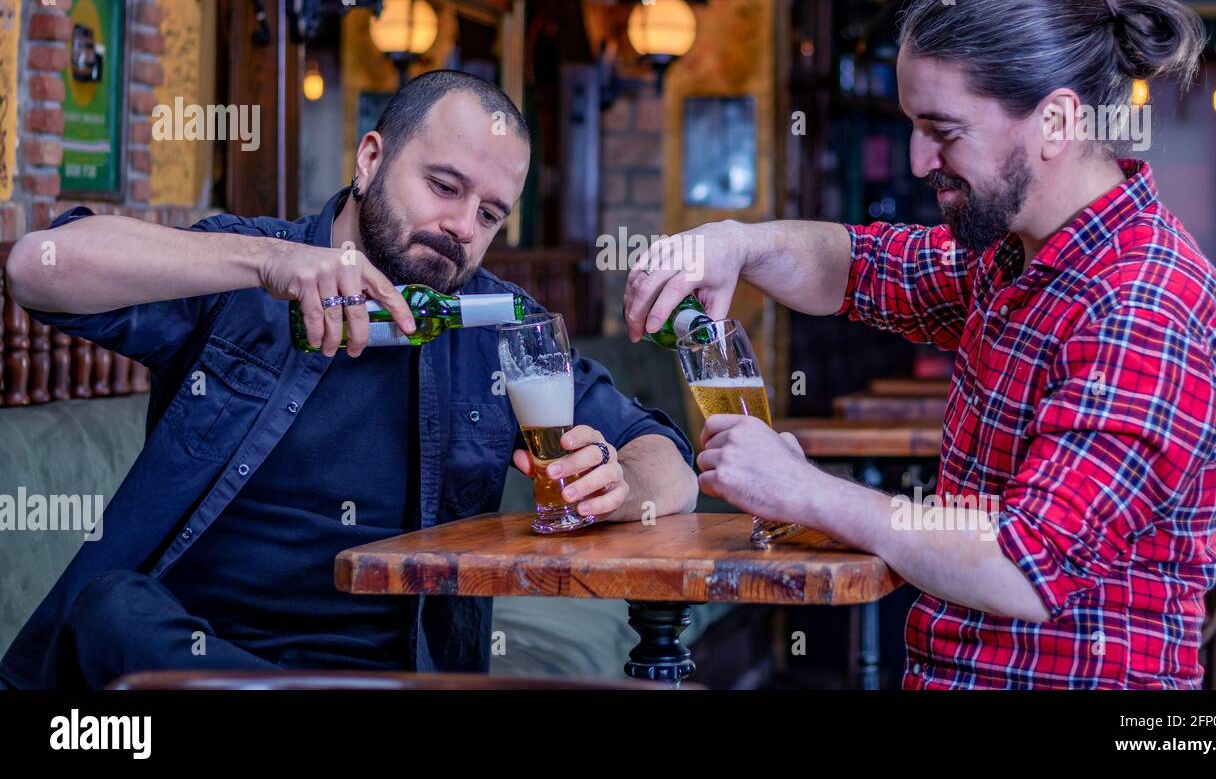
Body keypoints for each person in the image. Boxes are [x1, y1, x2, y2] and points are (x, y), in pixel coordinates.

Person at [624, 0, 1216, 689]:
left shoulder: (1143, 306)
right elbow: (858, 266)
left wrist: (803, 491)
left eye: (944, 131)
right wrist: (738, 240)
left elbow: (1021, 567)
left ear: (1056, 121)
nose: (920, 160)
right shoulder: (1016, 255)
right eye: (914, 127)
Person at [2, 70, 697, 689]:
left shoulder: (498, 323)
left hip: (388, 670)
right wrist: (262, 261)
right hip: (188, 653)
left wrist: (623, 482)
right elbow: (37, 265)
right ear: (371, 159)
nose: (460, 225)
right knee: (109, 607)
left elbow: (667, 457)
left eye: (488, 214)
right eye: (443, 186)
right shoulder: (245, 275)